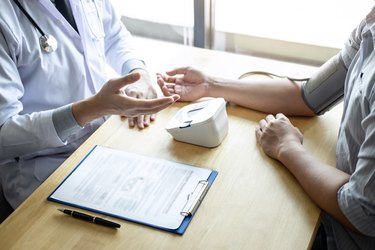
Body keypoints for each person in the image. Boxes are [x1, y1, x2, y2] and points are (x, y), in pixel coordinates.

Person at [156, 7, 375, 250]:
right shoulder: (369, 25)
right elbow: (309, 96)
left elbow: (361, 210)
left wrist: (288, 148)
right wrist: (210, 85)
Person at [0, 0, 179, 222]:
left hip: (105, 144)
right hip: (45, 171)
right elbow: (3, 133)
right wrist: (90, 110)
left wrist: (137, 72)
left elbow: (113, 34)